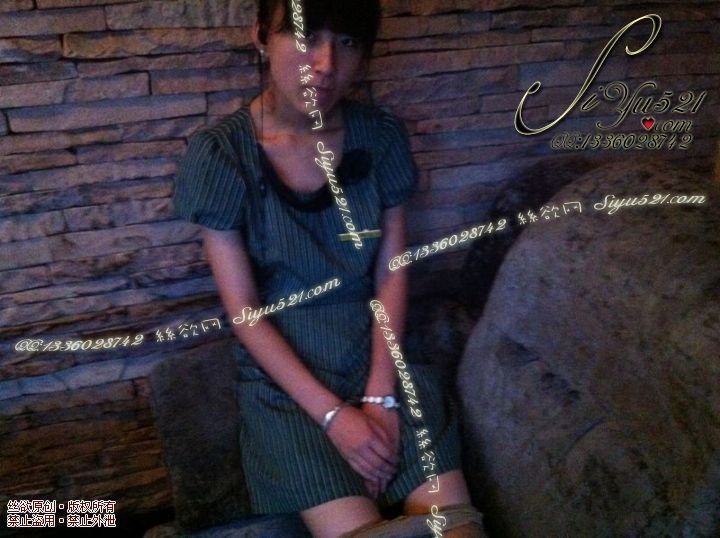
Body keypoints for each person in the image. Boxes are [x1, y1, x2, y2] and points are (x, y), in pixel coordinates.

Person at [173, 0, 485, 536]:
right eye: (305, 36)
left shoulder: (379, 136)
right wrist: (335, 417)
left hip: (382, 357)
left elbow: (392, 270)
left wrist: (381, 397)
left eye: (347, 42)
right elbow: (244, 312)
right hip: (289, 382)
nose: (325, 64)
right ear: (260, 36)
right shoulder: (222, 155)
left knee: (457, 528)